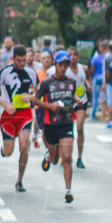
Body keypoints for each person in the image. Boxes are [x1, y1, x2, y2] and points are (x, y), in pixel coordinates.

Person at [0, 45, 38, 192]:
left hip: (25, 113)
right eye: (19, 60)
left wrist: (30, 97)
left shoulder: (31, 72)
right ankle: (3, 150)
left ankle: (19, 181)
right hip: (9, 115)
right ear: (13, 58)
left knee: (24, 145)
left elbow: (39, 92)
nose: (23, 63)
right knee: (9, 152)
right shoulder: (4, 72)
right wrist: (5, 104)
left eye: (25, 60)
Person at [34, 50, 77, 203]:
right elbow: (35, 100)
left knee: (66, 157)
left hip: (66, 123)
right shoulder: (46, 82)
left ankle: (68, 190)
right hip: (50, 125)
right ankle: (48, 155)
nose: (63, 68)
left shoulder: (71, 82)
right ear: (55, 64)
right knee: (54, 159)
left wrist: (77, 100)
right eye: (60, 65)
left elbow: (71, 96)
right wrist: (50, 106)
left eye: (66, 65)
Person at [65, 47, 90, 168]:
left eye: (75, 54)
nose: (72, 57)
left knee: (79, 128)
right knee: (68, 129)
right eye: (70, 54)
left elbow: (87, 79)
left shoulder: (83, 68)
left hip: (81, 101)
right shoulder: (64, 70)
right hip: (68, 103)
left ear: (78, 57)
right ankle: (66, 154)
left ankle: (79, 158)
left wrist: (89, 85)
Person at [90, 41, 108, 121]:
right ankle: (106, 115)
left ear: (101, 48)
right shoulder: (107, 57)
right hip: (105, 79)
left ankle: (93, 115)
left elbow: (92, 69)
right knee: (106, 98)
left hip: (97, 78)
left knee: (95, 97)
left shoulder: (95, 58)